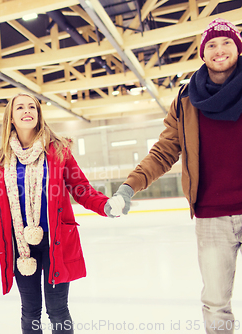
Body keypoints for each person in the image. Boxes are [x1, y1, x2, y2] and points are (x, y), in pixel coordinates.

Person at [108, 18, 242, 334]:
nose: (219, 50)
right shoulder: (186, 99)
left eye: (226, 42)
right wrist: (129, 187)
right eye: (211, 44)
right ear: (202, 52)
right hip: (212, 217)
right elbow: (164, 151)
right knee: (215, 302)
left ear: (238, 47)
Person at [0, 93, 123, 334]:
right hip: (21, 245)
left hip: (56, 241)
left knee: (57, 310)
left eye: (32, 107)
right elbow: (1, 208)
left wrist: (106, 205)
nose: (27, 111)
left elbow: (81, 189)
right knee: (30, 310)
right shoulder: (0, 160)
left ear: (38, 113)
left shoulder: (58, 151)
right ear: (11, 118)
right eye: (20, 107)